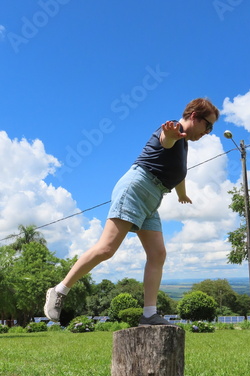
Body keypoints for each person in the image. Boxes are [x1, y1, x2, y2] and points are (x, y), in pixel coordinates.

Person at [44, 98, 219, 325]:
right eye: (208, 126)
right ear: (194, 116)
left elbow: (179, 173)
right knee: (107, 248)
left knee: (158, 254)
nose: (209, 132)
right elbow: (166, 140)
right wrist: (171, 137)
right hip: (137, 188)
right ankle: (59, 290)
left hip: (153, 198)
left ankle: (148, 314)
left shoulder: (183, 145)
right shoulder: (173, 129)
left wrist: (181, 194)